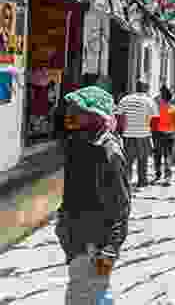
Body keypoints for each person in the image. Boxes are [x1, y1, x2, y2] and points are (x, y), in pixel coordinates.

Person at [56, 85, 131, 305]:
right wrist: (62, 224)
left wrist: (111, 248)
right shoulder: (75, 144)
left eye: (79, 111)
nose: (72, 115)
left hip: (103, 242)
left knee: (98, 289)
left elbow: (122, 205)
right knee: (78, 290)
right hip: (76, 238)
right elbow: (71, 190)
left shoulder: (110, 152)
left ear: (95, 117)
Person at [118, 80, 157, 188]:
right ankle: (142, 181)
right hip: (143, 134)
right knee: (142, 159)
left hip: (128, 134)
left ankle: (126, 182)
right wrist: (151, 132)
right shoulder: (149, 101)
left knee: (128, 160)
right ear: (145, 88)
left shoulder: (125, 99)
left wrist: (121, 131)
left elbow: (119, 117)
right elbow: (155, 120)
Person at [154, 86, 175, 185]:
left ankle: (158, 175)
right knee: (168, 156)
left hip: (159, 134)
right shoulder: (174, 109)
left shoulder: (158, 108)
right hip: (170, 135)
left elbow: (154, 121)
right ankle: (168, 177)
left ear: (163, 98)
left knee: (158, 155)